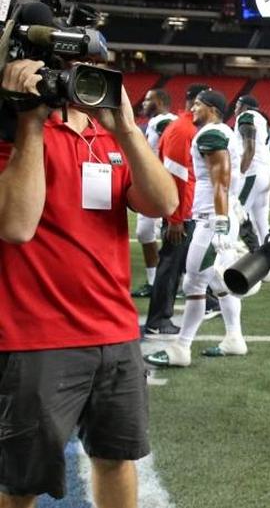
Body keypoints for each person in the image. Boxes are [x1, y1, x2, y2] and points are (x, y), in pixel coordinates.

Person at [0, 58, 177, 507]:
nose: (86, 80)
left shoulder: (107, 136)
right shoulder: (13, 131)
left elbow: (162, 202)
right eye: (76, 69)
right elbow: (17, 225)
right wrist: (32, 121)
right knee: (21, 481)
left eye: (98, 69)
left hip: (114, 330)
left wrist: (126, 129)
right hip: (36, 334)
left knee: (118, 458)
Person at [145, 90, 247, 367]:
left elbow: (220, 181)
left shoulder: (209, 134)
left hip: (210, 219)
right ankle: (234, 338)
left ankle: (182, 347)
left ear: (212, 108)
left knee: (194, 283)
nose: (193, 108)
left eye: (199, 104)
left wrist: (221, 222)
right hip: (215, 216)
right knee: (217, 280)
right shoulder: (220, 132)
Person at [143, 83, 209, 336]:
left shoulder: (186, 127)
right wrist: (175, 218)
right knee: (170, 265)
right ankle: (158, 320)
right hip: (181, 213)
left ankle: (206, 301)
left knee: (181, 264)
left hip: (187, 210)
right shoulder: (183, 130)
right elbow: (177, 176)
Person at [131, 88, 177, 298]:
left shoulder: (164, 121)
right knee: (145, 232)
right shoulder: (158, 122)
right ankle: (154, 282)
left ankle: (170, 282)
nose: (143, 102)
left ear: (158, 101)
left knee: (165, 235)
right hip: (156, 184)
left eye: (148, 99)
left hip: (160, 186)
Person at [234, 94, 270, 248]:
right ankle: (268, 261)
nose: (235, 109)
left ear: (245, 106)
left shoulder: (247, 116)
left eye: (237, 105)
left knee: (235, 212)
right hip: (265, 174)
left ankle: (224, 258)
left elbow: (249, 148)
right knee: (261, 223)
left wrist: (240, 174)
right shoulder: (262, 120)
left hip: (252, 173)